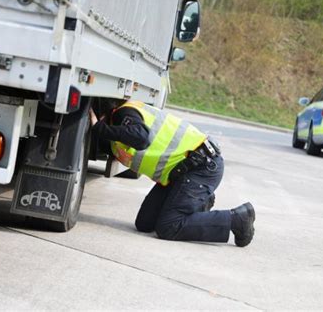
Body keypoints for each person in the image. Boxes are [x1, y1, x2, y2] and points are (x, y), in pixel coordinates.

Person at [89, 100, 255, 247]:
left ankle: (237, 219)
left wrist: (99, 128)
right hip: (179, 174)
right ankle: (199, 203)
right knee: (145, 223)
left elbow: (140, 138)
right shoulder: (117, 129)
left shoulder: (122, 114)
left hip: (201, 167)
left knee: (169, 227)